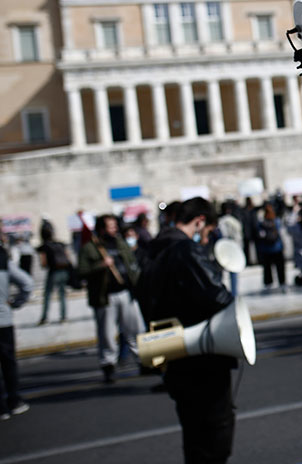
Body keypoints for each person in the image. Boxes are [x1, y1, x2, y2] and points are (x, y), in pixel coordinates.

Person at [137, 197, 236, 464]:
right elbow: (219, 300)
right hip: (203, 361)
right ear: (200, 221)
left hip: (173, 356)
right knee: (214, 440)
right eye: (208, 232)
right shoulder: (185, 250)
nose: (207, 240)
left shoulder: (151, 251)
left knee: (194, 439)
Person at [78, 214, 144, 383]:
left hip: (125, 293)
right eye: (110, 226)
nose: (114, 229)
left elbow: (131, 262)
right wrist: (101, 265)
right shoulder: (90, 248)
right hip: (106, 296)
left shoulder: (120, 243)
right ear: (101, 229)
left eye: (115, 226)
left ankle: (143, 360)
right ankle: (108, 365)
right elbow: (82, 271)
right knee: (107, 333)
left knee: (134, 329)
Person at [1, 241, 33, 420]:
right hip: (4, 318)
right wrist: (15, 303)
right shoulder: (3, 258)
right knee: (8, 362)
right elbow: (27, 283)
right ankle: (14, 400)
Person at [37, 222, 71, 325]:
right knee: (62, 295)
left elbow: (43, 263)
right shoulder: (60, 244)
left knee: (47, 295)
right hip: (64, 271)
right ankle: (64, 317)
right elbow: (68, 257)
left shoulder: (44, 246)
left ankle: (45, 318)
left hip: (53, 272)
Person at [256, 204, 286, 293]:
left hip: (266, 249)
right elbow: (280, 233)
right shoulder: (276, 221)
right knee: (280, 267)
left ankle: (268, 283)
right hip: (277, 248)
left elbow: (259, 235)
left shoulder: (262, 222)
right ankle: (282, 282)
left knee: (267, 268)